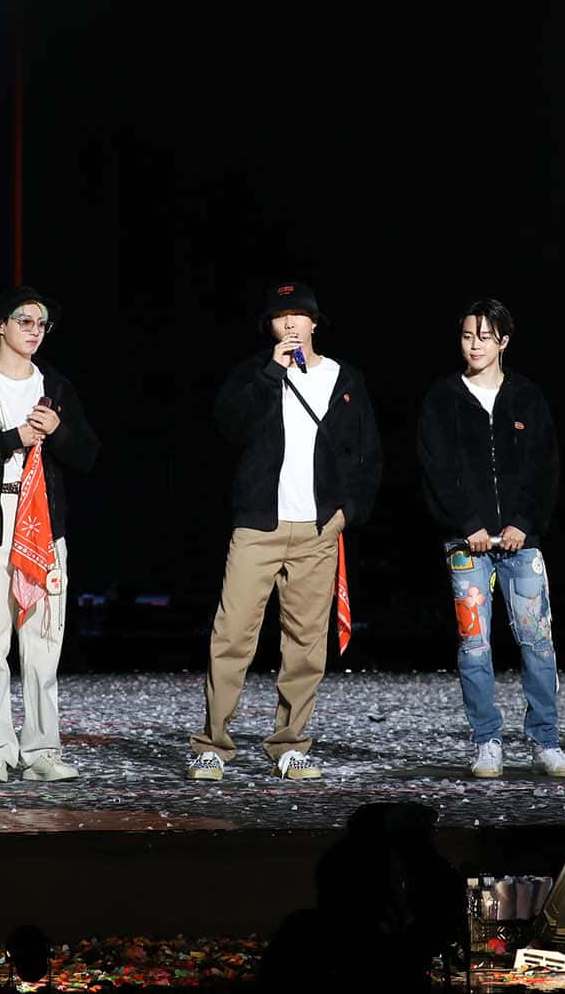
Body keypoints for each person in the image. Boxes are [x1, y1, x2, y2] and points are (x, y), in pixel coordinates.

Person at [189, 282, 380, 781]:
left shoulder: (344, 378)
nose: (291, 323)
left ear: (315, 322)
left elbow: (366, 453)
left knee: (306, 643)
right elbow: (228, 427)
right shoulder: (253, 375)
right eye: (281, 316)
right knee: (231, 636)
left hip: (317, 527)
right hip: (258, 525)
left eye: (299, 314)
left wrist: (347, 512)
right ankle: (213, 746)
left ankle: (290, 744)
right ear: (270, 326)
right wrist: (271, 375)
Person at [0, 287, 101, 783]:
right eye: (24, 321)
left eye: (42, 324)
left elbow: (88, 455)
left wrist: (60, 431)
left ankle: (42, 749)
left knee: (43, 638)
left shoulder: (55, 385)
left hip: (43, 521)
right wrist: (15, 438)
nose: (34, 330)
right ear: (0, 325)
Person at [416, 298, 565, 779]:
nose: (474, 345)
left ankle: (545, 741)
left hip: (522, 543)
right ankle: (487, 741)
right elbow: (436, 468)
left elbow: (544, 466)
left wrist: (523, 522)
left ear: (503, 341)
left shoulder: (526, 396)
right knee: (474, 645)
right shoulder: (443, 397)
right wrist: (468, 524)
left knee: (537, 642)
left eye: (484, 337)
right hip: (466, 544)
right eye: (467, 336)